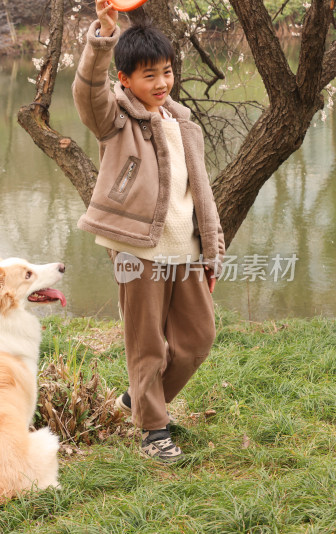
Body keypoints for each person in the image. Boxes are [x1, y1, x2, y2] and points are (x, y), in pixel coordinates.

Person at [71, 0, 226, 463]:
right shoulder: (116, 120)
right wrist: (102, 37)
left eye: (166, 72)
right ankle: (154, 432)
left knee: (198, 338)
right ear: (125, 80)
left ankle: (137, 404)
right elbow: (87, 96)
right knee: (147, 346)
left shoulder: (182, 123)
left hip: (186, 252)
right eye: (148, 76)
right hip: (138, 253)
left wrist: (212, 250)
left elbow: (202, 195)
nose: (160, 84)